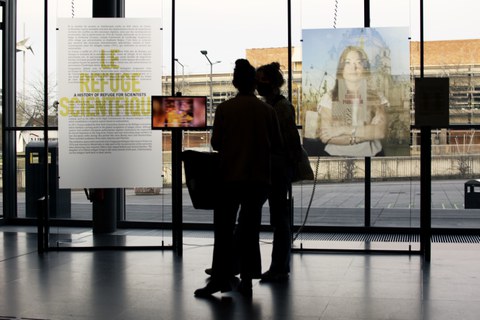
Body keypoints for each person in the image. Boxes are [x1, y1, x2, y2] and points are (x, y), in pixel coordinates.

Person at [194, 59, 283, 298]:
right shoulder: (268, 111)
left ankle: (220, 278)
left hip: (229, 178)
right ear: (254, 83)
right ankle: (246, 279)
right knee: (249, 230)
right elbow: (277, 144)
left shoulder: (224, 109)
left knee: (223, 230)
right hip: (258, 181)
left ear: (234, 82)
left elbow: (216, 143)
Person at [256, 62, 302, 282]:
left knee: (278, 219)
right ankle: (279, 266)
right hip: (278, 167)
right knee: (279, 217)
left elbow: (288, 141)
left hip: (273, 168)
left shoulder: (278, 108)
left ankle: (278, 266)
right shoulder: (280, 106)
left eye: (261, 80)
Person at [317, 45, 388, 157]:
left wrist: (341, 129)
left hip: (373, 156)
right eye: (348, 62)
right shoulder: (330, 97)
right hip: (336, 157)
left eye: (358, 63)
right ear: (342, 68)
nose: (353, 67)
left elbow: (379, 132)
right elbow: (326, 137)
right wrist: (365, 134)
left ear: (364, 68)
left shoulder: (376, 97)